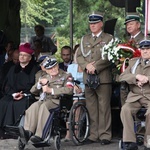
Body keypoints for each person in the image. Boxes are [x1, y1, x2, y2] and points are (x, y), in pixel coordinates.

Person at [18, 56, 74, 145]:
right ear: (46, 70)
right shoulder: (45, 77)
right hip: (44, 100)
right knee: (34, 106)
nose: (53, 69)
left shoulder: (66, 75)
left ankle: (40, 135)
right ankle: (28, 132)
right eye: (50, 68)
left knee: (44, 107)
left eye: (54, 66)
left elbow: (69, 90)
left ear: (57, 65)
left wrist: (51, 90)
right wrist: (39, 84)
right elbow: (32, 91)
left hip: (58, 101)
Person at [76, 11, 113, 145]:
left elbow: (110, 57)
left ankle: (105, 135)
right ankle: (93, 134)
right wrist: (86, 65)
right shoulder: (84, 39)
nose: (92, 25)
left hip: (102, 77)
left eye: (95, 23)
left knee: (104, 107)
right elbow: (79, 56)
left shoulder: (109, 38)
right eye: (91, 23)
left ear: (101, 24)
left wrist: (95, 66)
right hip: (88, 77)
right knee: (91, 107)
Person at [0, 43, 38, 133]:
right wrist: (13, 94)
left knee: (20, 104)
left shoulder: (35, 69)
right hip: (12, 94)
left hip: (27, 95)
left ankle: (17, 131)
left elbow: (35, 87)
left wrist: (24, 94)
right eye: (21, 55)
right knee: (3, 102)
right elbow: (7, 85)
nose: (22, 57)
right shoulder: (13, 69)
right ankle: (4, 129)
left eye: (25, 55)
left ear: (30, 58)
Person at [120, 39, 150, 150]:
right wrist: (135, 77)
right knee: (125, 110)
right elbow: (122, 76)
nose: (145, 51)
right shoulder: (134, 62)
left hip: (149, 96)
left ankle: (149, 141)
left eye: (147, 49)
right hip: (135, 96)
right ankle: (130, 141)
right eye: (143, 49)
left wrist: (147, 78)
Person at [121, 12, 145, 106]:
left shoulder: (145, 39)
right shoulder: (125, 40)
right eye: (127, 24)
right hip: (126, 78)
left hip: (141, 79)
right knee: (125, 108)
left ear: (138, 25)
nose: (128, 26)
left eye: (131, 23)